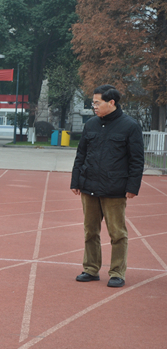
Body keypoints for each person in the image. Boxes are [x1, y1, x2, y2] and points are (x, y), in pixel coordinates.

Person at [70, 84, 144, 288]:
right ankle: (91, 269)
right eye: (93, 102)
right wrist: (75, 180)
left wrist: (132, 186)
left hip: (115, 188)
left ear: (111, 102)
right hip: (89, 185)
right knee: (90, 231)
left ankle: (117, 272)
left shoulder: (130, 126)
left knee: (117, 233)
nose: (93, 106)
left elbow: (137, 160)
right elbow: (81, 155)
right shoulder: (91, 125)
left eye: (96, 102)